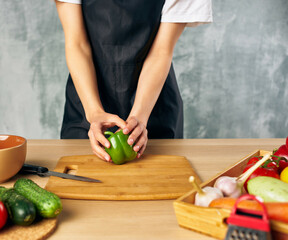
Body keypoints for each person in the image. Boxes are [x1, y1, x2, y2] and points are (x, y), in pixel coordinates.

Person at [55, 0, 212, 162]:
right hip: (86, 102)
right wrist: (94, 112)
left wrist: (139, 117)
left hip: (153, 106)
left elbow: (161, 51)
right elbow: (77, 44)